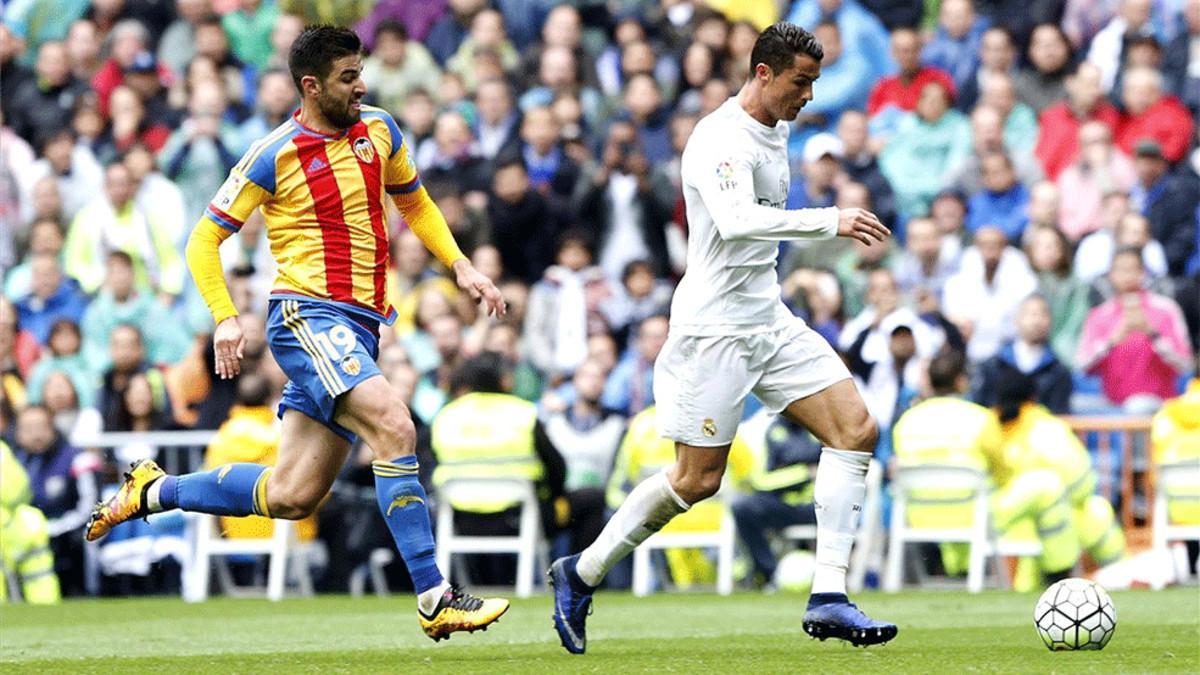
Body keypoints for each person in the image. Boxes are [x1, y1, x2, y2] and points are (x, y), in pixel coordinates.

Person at [85, 26, 509, 640]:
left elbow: (413, 200)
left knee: (292, 495)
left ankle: (155, 490)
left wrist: (460, 264)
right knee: (394, 426)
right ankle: (434, 595)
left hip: (361, 327)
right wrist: (226, 315)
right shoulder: (272, 153)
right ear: (311, 86)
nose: (360, 85)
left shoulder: (381, 129)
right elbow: (204, 238)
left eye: (360, 73)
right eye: (346, 77)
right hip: (306, 315)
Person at [547, 23, 896, 654]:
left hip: (768, 319)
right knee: (696, 480)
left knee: (856, 430)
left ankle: (829, 597)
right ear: (763, 73)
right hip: (713, 331)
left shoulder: (778, 126)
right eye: (800, 82)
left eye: (813, 83)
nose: (809, 96)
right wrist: (830, 221)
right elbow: (736, 223)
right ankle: (582, 571)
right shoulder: (718, 138)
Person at [892, 349, 1081, 593]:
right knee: (1047, 485)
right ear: (961, 381)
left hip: (920, 516)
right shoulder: (981, 419)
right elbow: (1003, 472)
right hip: (973, 514)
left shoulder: (907, 422)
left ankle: (960, 565)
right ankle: (1059, 576)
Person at [430, 352, 566, 584]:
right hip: (518, 515)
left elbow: (430, 462)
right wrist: (551, 495)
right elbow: (557, 467)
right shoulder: (524, 413)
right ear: (505, 379)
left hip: (460, 517)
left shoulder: (446, 416)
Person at [1076, 247, 1191, 412]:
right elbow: (1081, 366)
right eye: (1122, 270)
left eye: (1133, 269)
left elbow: (1185, 364)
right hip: (1111, 402)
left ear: (1143, 273)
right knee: (1073, 404)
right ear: (1111, 275)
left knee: (1137, 406)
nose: (1128, 276)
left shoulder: (1165, 309)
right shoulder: (1099, 314)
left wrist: (1153, 334)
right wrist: (1110, 342)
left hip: (1158, 404)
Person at [973, 294, 1073, 413]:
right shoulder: (993, 366)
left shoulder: (1058, 371)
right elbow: (980, 407)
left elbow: (1060, 412)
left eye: (1043, 315)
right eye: (1031, 314)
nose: (1037, 321)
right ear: (1017, 319)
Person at [0, 440, 61, 604]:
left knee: (38, 579)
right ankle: (46, 615)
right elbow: (20, 488)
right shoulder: (3, 450)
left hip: (14, 525)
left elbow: (17, 488)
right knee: (39, 581)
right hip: (18, 524)